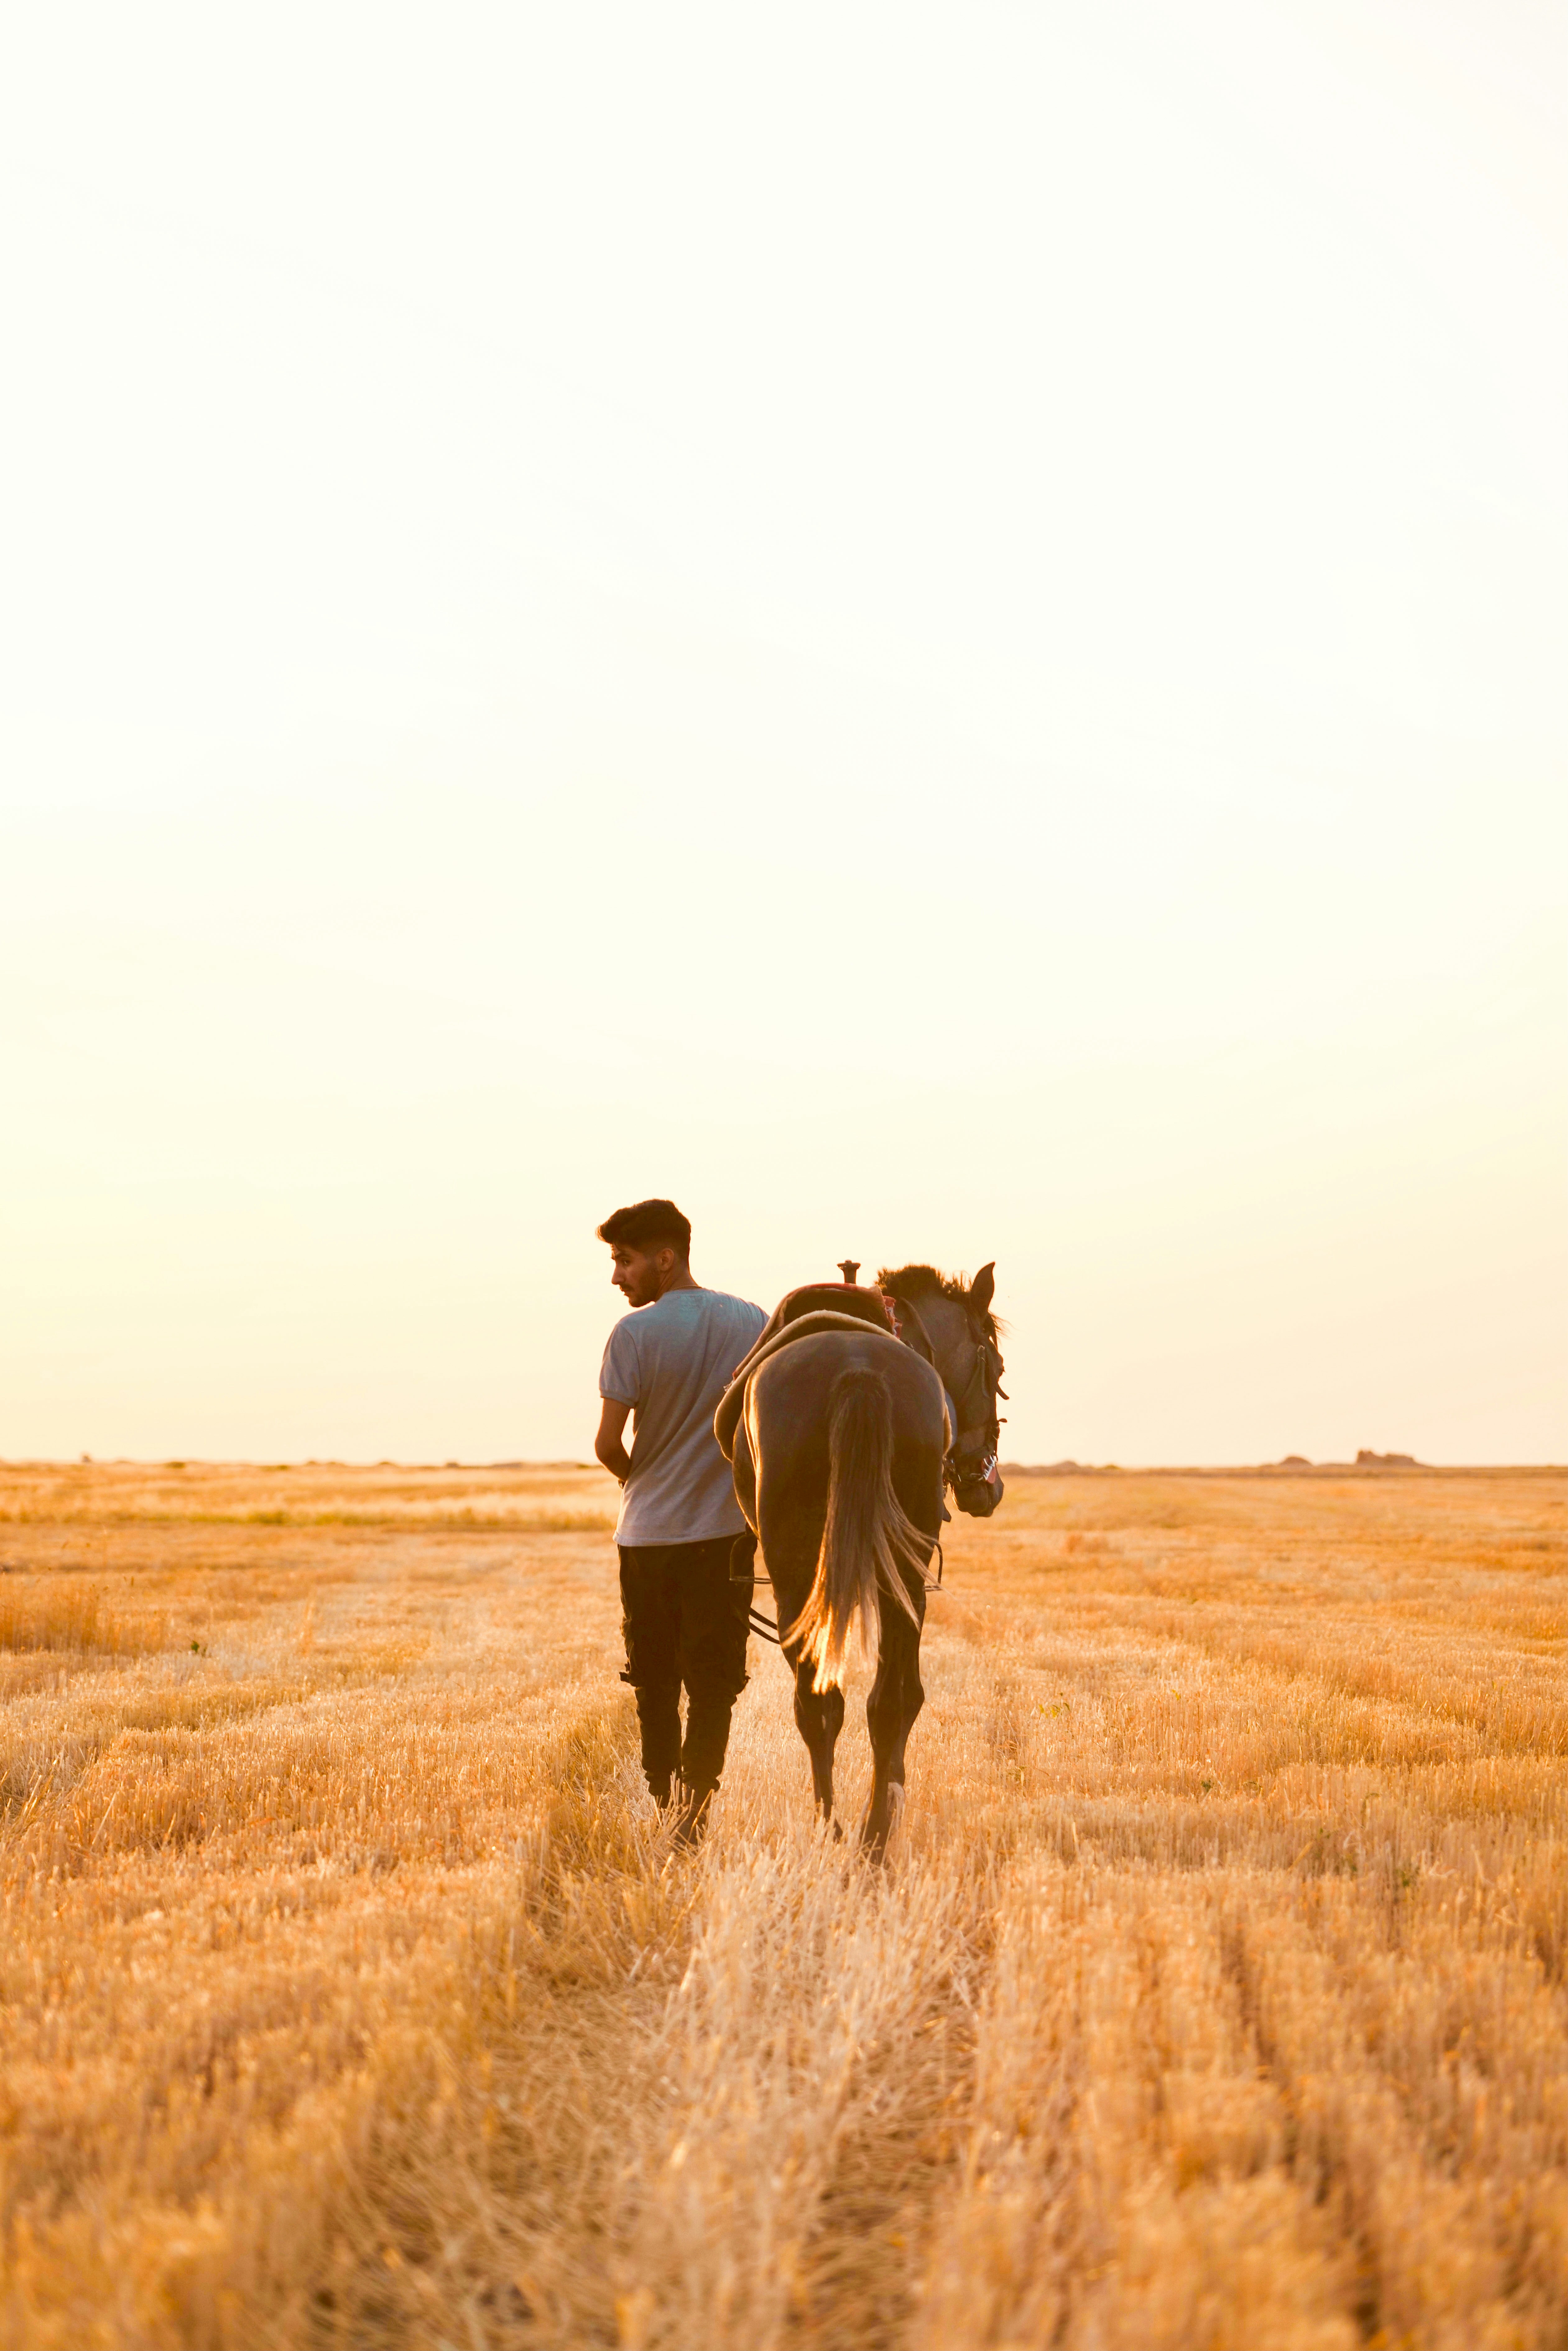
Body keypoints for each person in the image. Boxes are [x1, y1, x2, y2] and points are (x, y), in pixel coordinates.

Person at [594, 1198, 766, 1841]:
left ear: (665, 1259)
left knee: (655, 1678)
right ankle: (696, 1806)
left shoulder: (633, 1335)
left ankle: (663, 1797)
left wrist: (640, 1479)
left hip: (648, 1536)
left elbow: (608, 1445)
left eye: (625, 1260)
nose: (617, 1276)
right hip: (725, 1535)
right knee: (715, 1678)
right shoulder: (753, 1320)